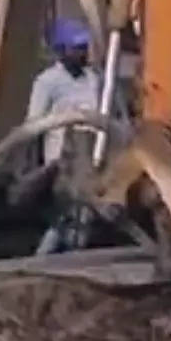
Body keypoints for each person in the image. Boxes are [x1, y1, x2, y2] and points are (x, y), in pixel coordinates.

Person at [27, 19, 102, 255]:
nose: (82, 53)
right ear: (61, 51)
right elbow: (34, 122)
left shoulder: (93, 78)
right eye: (76, 48)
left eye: (84, 47)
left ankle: (71, 252)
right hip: (62, 156)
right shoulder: (48, 82)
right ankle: (47, 254)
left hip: (90, 154)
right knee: (68, 209)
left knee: (85, 209)